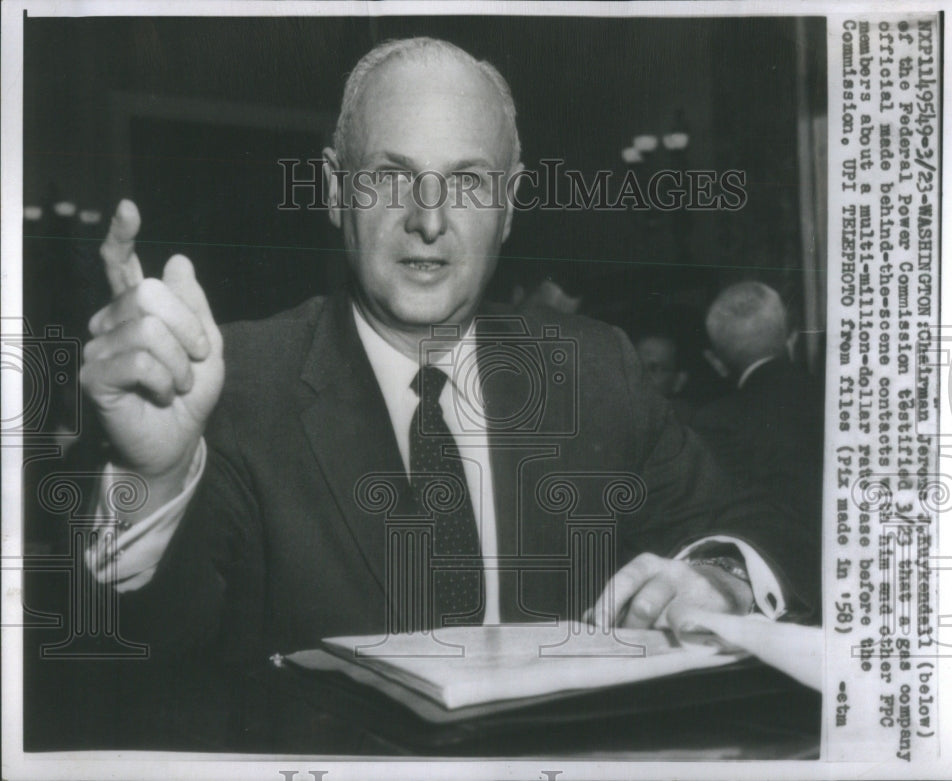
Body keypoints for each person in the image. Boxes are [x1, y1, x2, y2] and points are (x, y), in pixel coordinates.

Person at [77, 38, 815, 747]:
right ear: (336, 190)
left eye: (466, 181)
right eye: (392, 176)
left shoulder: (595, 370)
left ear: (511, 203)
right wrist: (154, 476)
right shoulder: (231, 383)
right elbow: (123, 670)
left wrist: (722, 581)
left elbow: (763, 524)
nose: (428, 219)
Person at [692, 281, 824, 607]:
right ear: (790, 337)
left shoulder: (714, 421)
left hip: (774, 598)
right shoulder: (845, 402)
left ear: (717, 362)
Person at [634, 332, 694, 423]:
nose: (640, 376)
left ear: (678, 381)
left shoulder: (689, 429)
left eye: (654, 369)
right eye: (635, 366)